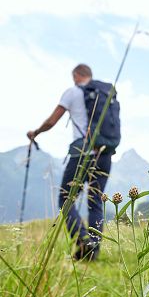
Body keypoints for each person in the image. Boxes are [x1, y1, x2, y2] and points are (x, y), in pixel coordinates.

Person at [27, 64, 113, 261]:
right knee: (95, 202)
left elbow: (51, 121)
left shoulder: (73, 92)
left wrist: (36, 132)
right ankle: (93, 250)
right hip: (105, 154)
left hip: (82, 151)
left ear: (76, 75)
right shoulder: (104, 95)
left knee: (66, 200)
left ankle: (83, 242)